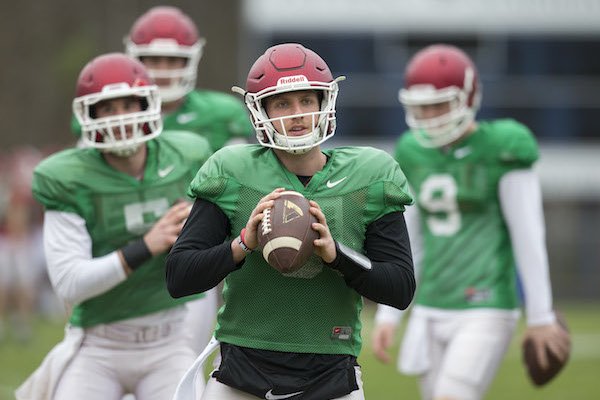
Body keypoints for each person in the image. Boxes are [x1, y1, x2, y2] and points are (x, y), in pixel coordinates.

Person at [165, 43, 416, 400]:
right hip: (242, 374)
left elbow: (401, 287)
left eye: (306, 101)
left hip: (331, 378)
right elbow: (179, 276)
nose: (296, 114)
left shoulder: (370, 175)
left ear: (323, 104)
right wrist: (241, 245)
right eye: (282, 103)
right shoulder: (232, 171)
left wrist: (337, 255)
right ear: (260, 111)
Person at [371, 44, 571, 400]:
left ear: (468, 97)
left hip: (486, 302)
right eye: (422, 107)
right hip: (432, 303)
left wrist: (541, 315)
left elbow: (529, 235)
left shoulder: (503, 146)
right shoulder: (411, 151)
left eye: (440, 104)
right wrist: (389, 313)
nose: (431, 116)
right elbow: (410, 240)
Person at [16, 53, 212, 400]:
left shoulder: (188, 155)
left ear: (148, 107)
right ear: (88, 115)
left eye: (128, 105)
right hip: (98, 345)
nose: (120, 118)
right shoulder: (67, 176)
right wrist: (145, 246)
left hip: (169, 339)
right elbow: (69, 284)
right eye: (107, 108)